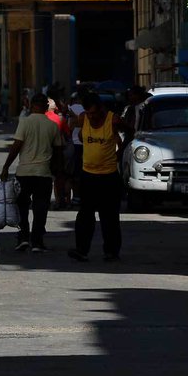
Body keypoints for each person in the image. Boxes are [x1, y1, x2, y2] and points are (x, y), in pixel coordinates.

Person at [68, 92, 127, 262]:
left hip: (108, 177)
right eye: (89, 113)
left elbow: (130, 132)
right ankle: (81, 250)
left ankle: (111, 251)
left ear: (101, 109)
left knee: (109, 217)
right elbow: (80, 136)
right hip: (88, 175)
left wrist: (120, 152)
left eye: (94, 113)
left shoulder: (113, 120)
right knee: (85, 215)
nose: (92, 117)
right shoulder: (83, 119)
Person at [0, 94, 63, 252]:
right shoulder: (53, 125)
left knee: (22, 206)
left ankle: (23, 238)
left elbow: (16, 145)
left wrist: (6, 166)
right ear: (45, 106)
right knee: (41, 208)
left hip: (24, 173)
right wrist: (58, 171)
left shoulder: (25, 122)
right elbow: (58, 151)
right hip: (44, 173)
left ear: (31, 105)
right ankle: (37, 241)